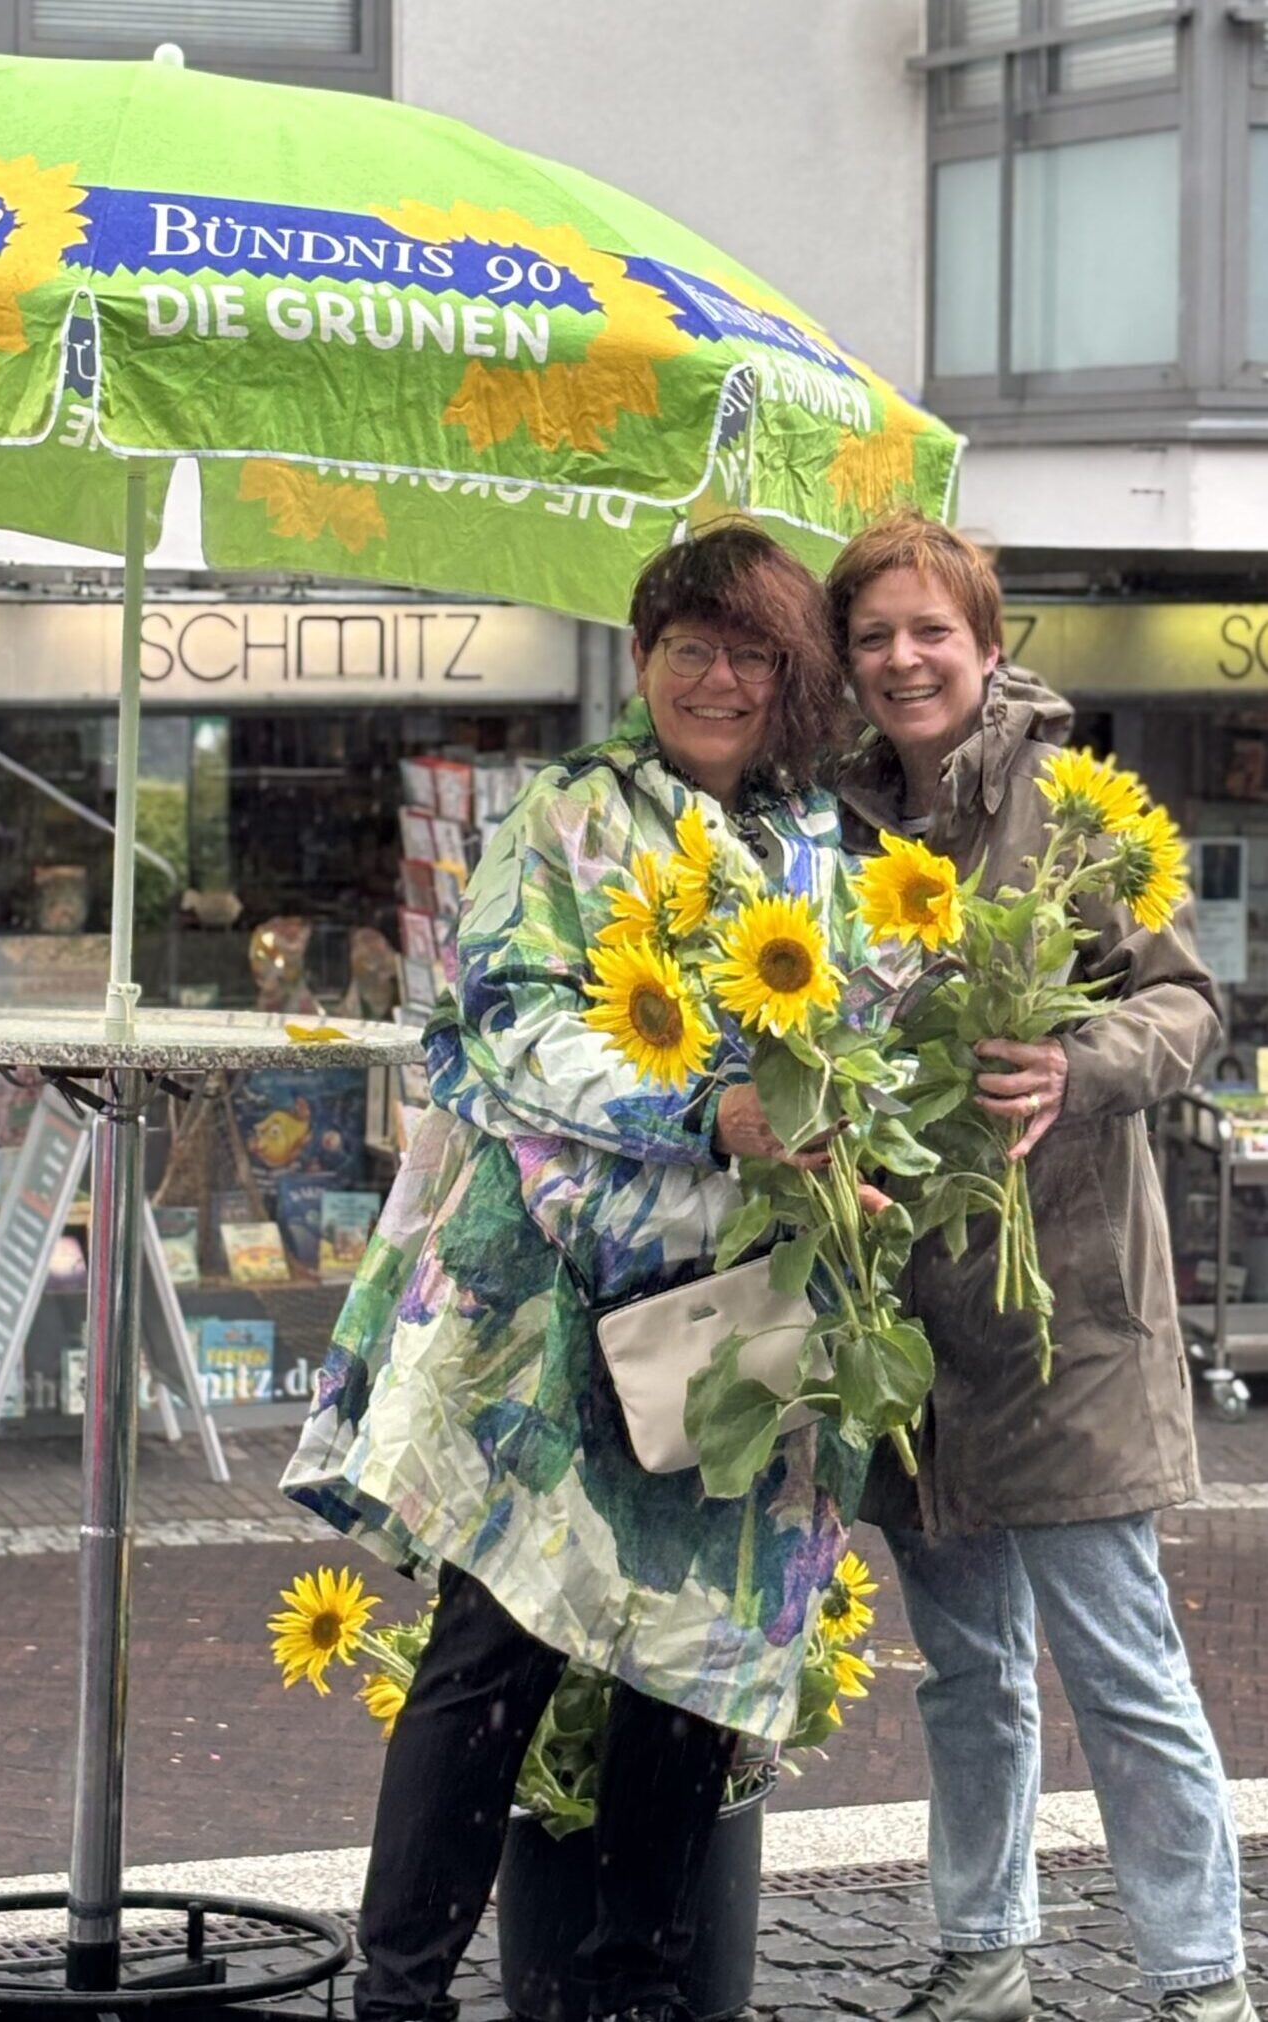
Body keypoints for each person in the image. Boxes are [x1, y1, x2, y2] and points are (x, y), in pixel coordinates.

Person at [284, 522, 869, 2022]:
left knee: (693, 1648)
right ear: (640, 655)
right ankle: (401, 1990)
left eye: (747, 650)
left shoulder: (815, 847)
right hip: (549, 1301)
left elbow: (851, 1039)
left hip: (736, 1298)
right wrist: (709, 1111)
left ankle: (624, 1991)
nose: (714, 677)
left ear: (790, 672)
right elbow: (507, 1016)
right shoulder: (562, 813)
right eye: (687, 644)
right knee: (497, 1640)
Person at [828, 509, 1257, 2022]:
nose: (900, 658)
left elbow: (1189, 1004)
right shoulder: (838, 821)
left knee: (1120, 1663)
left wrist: (1074, 1066)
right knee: (964, 1669)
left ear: (985, 643)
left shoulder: (1081, 809)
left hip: (1058, 1298)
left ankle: (1200, 1975)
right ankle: (985, 1948)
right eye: (872, 634)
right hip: (905, 1320)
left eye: (927, 629)